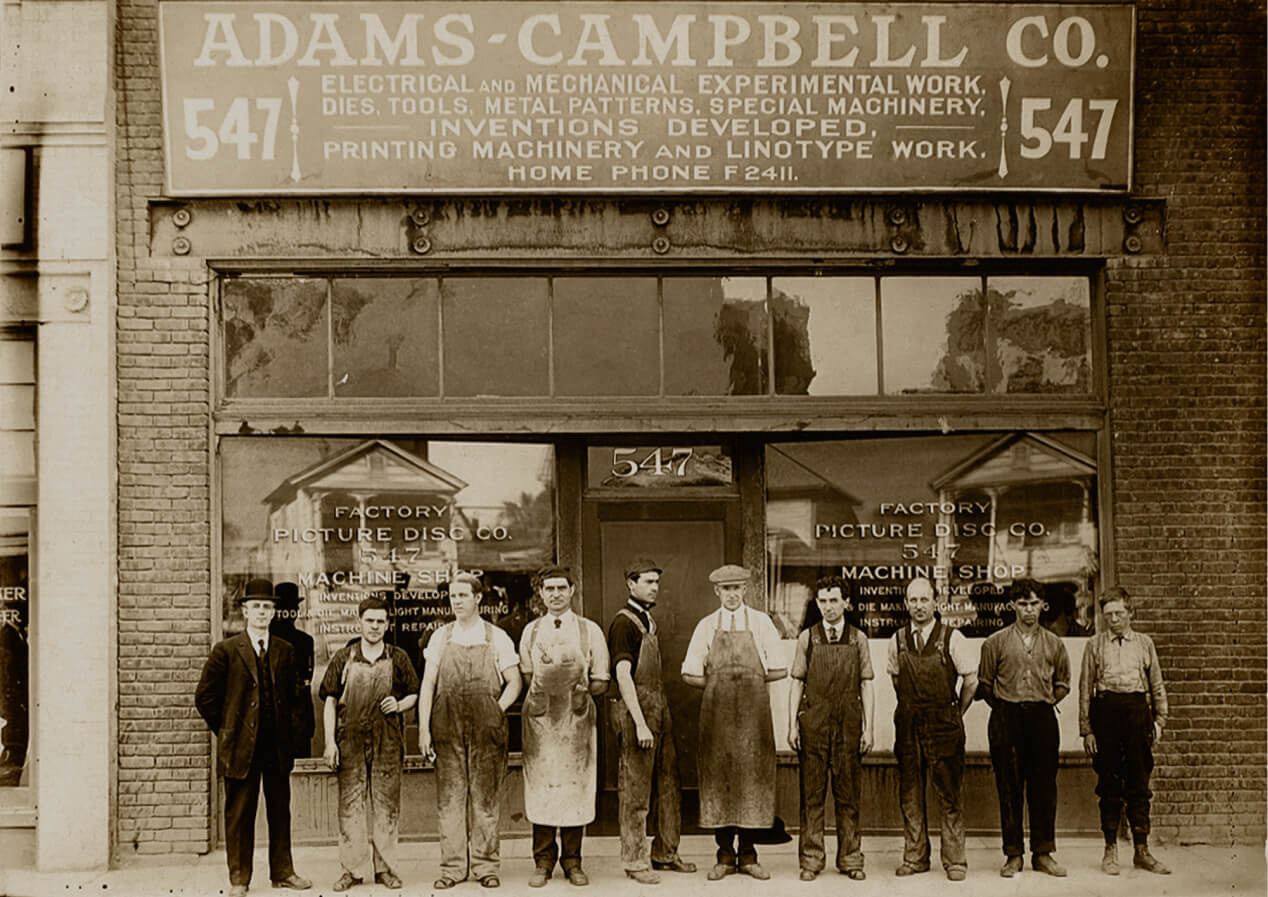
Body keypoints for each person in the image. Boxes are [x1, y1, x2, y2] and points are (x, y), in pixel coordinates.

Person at [194, 578, 312, 897]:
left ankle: (283, 871)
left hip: (276, 747)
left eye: (268, 607)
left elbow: (297, 700)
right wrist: (229, 729)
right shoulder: (227, 651)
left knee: (279, 810)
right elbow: (204, 697)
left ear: (274, 613)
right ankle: (239, 879)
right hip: (240, 750)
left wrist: (291, 735)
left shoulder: (285, 651)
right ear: (245, 611)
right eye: (256, 606)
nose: (262, 612)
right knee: (239, 816)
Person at [418, 573, 523, 889]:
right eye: (453, 596)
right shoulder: (441, 637)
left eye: (463, 595)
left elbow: (515, 681)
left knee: (485, 800)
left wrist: (496, 710)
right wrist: (423, 729)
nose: (457, 601)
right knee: (450, 800)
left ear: (478, 598)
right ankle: (452, 868)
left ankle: (485, 866)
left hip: (485, 731)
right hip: (446, 729)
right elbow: (428, 684)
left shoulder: (497, 637)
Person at [682, 564, 786, 881]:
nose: (732, 594)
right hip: (717, 717)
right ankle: (725, 855)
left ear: (745, 590)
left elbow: (780, 668)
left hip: (754, 718)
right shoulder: (705, 626)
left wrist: (749, 681)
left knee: (753, 780)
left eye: (737, 588)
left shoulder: (762, 623)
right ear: (717, 592)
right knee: (719, 779)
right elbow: (689, 672)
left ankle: (750, 855)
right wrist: (720, 685)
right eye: (726, 589)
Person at [320, 595, 420, 892]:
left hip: (387, 742)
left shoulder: (398, 657)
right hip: (349, 741)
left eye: (380, 621)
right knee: (350, 806)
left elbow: (415, 692)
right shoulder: (344, 657)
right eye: (370, 620)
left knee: (386, 806)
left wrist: (400, 704)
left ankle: (386, 869)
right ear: (360, 622)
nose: (375, 626)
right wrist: (329, 743)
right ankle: (351, 870)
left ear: (387, 624)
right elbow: (329, 700)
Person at [519, 566, 610, 888]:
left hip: (577, 720)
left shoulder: (589, 631)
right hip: (542, 722)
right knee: (542, 787)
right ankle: (543, 861)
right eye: (549, 589)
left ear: (572, 590)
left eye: (561, 588)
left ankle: (573, 861)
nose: (555, 594)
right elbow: (528, 677)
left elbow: (601, 679)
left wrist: (585, 689)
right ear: (541, 593)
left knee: (575, 788)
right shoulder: (531, 631)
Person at [607, 558, 696, 885]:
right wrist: (640, 723)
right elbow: (621, 674)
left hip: (659, 710)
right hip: (637, 714)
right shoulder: (624, 623)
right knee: (636, 791)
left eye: (656, 582)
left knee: (669, 785)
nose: (654, 587)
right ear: (631, 584)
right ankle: (634, 861)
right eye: (647, 582)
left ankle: (665, 853)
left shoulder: (648, 620)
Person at [976, 579, 1072, 878]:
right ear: (1012, 605)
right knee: (1009, 786)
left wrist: (1039, 704)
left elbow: (1063, 685)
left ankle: (1043, 853)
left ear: (1043, 605)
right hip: (1006, 718)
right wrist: (1010, 706)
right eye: (1022, 603)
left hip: (1042, 719)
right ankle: (1013, 854)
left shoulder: (1055, 643)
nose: (1029, 610)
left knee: (1044, 787)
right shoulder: (995, 642)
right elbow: (986, 685)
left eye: (1034, 604)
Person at [889, 577, 977, 882]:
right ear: (906, 604)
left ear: (935, 602)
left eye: (924, 600)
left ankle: (955, 860)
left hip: (944, 725)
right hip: (908, 725)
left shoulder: (952, 638)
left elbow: (971, 681)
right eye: (912, 600)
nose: (918, 606)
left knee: (949, 793)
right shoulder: (897, 639)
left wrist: (956, 712)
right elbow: (896, 679)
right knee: (910, 793)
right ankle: (915, 857)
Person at [1079, 586, 1171, 876]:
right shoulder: (1094, 645)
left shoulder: (1144, 643)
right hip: (1105, 713)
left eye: (1119, 613)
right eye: (1108, 615)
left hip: (1137, 714)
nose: (1114, 619)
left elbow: (1156, 684)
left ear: (1130, 613)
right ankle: (1110, 849)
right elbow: (1085, 689)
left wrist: (1159, 720)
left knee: (1139, 783)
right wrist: (1087, 729)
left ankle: (1142, 849)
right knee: (1109, 783)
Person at [787, 576, 874, 881]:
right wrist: (792, 726)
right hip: (814, 725)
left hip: (848, 725)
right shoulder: (807, 638)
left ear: (846, 603)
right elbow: (796, 682)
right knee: (812, 795)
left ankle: (851, 858)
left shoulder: (858, 638)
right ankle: (811, 860)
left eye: (834, 600)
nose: (828, 607)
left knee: (848, 794)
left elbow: (866, 684)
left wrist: (868, 728)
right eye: (822, 601)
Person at [270, 581, 316, 756]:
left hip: (296, 717)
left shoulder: (304, 640)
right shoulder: (304, 640)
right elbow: (307, 678)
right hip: (295, 716)